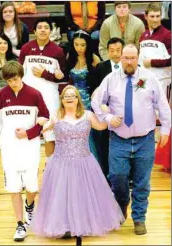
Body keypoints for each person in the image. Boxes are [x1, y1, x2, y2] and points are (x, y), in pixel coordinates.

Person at [91, 44, 171, 235]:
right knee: (117, 177)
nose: (128, 61)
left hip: (145, 139)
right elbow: (96, 102)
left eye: (132, 58)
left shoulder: (149, 77)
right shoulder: (111, 79)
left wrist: (166, 129)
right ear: (120, 59)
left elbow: (162, 104)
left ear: (138, 57)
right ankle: (122, 202)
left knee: (142, 182)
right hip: (119, 139)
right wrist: (108, 118)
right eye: (125, 58)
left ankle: (139, 218)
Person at [31, 85, 125, 241]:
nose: (69, 98)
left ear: (77, 99)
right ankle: (64, 226)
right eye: (65, 96)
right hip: (61, 163)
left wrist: (108, 114)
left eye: (72, 95)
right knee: (61, 195)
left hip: (84, 162)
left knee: (83, 194)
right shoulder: (56, 116)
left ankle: (86, 224)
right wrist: (40, 123)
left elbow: (101, 126)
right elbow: (44, 130)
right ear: (61, 100)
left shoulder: (87, 115)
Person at [0, 61, 49, 242]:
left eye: (15, 79)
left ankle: (29, 206)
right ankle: (20, 224)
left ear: (21, 76)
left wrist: (28, 133)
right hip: (9, 150)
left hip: (30, 148)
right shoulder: (1, 95)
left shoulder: (34, 94)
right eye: (9, 81)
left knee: (31, 187)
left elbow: (45, 118)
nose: (12, 83)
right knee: (14, 188)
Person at [19, 17, 66, 160]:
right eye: (40, 27)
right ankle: (26, 165)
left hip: (49, 97)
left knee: (49, 134)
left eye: (46, 27)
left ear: (50, 31)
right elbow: (19, 72)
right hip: (28, 97)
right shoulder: (26, 48)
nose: (43, 30)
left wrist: (45, 74)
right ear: (34, 31)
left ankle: (49, 166)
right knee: (26, 131)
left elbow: (62, 77)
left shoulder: (58, 51)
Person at [92, 37, 124, 178]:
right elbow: (94, 91)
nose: (116, 54)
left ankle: (126, 175)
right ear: (107, 51)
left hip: (124, 114)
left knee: (125, 145)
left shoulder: (131, 67)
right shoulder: (101, 67)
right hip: (105, 114)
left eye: (119, 50)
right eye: (112, 51)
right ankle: (105, 174)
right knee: (104, 144)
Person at [66, 29, 100, 160]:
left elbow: (99, 80)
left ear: (88, 45)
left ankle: (92, 165)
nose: (79, 48)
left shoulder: (94, 59)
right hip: (71, 100)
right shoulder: (70, 57)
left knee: (87, 133)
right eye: (76, 44)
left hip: (87, 100)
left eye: (82, 45)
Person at [139, 2, 171, 98]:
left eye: (158, 16)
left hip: (162, 80)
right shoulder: (143, 35)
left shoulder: (167, 35)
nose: (155, 20)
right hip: (145, 80)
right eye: (152, 16)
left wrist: (152, 62)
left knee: (160, 112)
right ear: (145, 16)